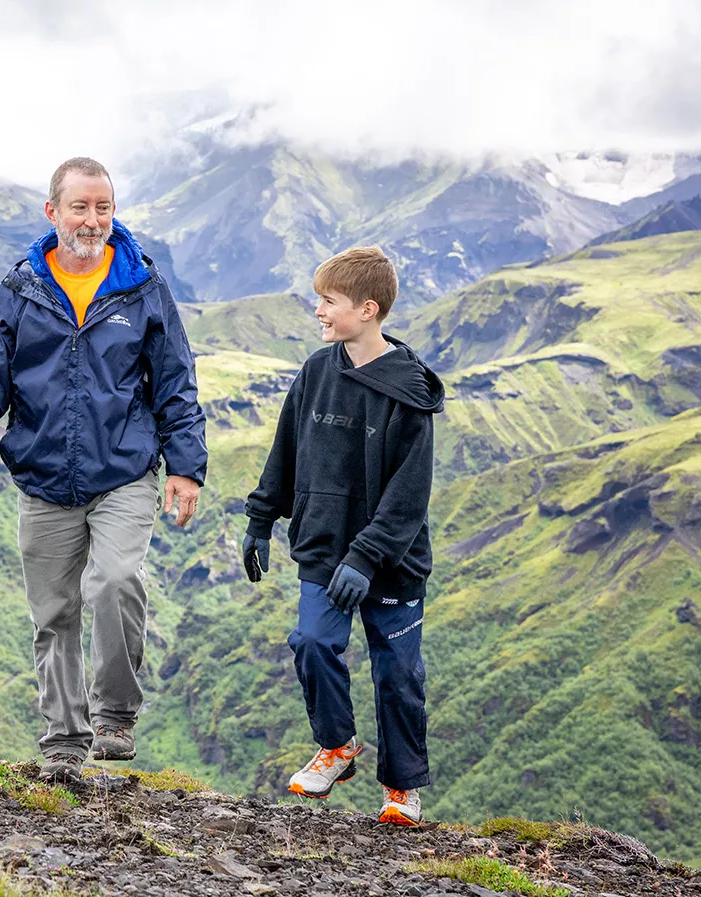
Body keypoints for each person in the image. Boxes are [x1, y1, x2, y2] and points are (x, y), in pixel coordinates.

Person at [0, 157, 208, 782]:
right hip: (41, 477)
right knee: (55, 612)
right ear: (53, 212)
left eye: (103, 208)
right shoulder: (20, 290)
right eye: (80, 207)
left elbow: (175, 379)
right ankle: (64, 736)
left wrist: (185, 466)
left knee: (115, 581)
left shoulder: (142, 287)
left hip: (124, 470)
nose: (92, 220)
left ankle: (116, 712)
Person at [240, 245, 444, 826]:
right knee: (311, 643)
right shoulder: (315, 371)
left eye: (328, 302)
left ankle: (402, 788)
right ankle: (337, 747)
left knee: (397, 673)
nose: (319, 312)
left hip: (390, 563)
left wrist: (368, 556)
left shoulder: (408, 394)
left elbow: (410, 497)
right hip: (325, 551)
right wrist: (262, 518)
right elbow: (287, 451)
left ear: (368, 309)